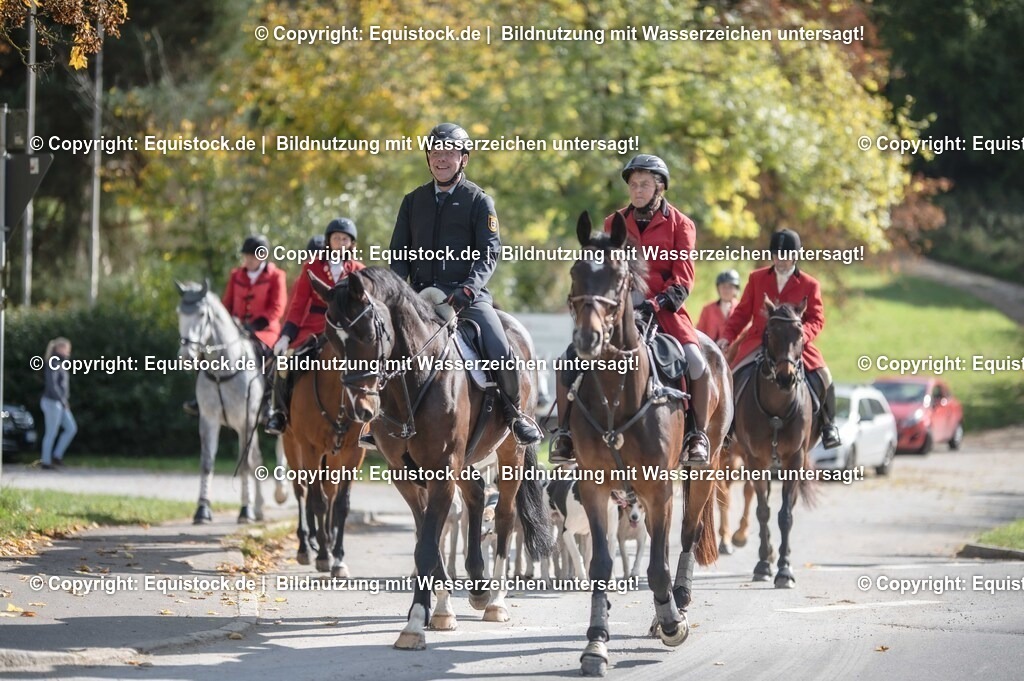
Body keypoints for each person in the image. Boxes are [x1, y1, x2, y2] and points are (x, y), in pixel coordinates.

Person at [377, 122, 542, 446]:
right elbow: (398, 252)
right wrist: (400, 293)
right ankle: (380, 420)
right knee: (380, 342)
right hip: (418, 297)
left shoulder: (479, 201)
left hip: (466, 296)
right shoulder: (412, 201)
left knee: (499, 347)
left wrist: (468, 288)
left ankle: (514, 415)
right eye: (435, 153)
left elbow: (489, 251)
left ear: (463, 159)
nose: (441, 159)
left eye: (448, 153)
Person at [549, 154, 712, 466]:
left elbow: (684, 278)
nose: (638, 190)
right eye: (634, 185)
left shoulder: (681, 224)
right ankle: (566, 433)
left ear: (659, 187)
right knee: (569, 357)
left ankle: (697, 435)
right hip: (618, 309)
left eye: (645, 185)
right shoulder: (614, 223)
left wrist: (657, 303)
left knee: (695, 362)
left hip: (663, 309)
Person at [716, 229, 841, 449]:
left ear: (796, 255)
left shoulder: (810, 284)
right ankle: (729, 428)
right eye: (777, 254)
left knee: (825, 376)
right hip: (760, 342)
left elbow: (817, 319)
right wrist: (727, 336)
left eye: (786, 254)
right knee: (733, 375)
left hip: (795, 345)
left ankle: (829, 425)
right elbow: (742, 312)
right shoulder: (757, 278)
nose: (781, 259)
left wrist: (802, 336)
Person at [265, 219, 365, 435]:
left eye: (345, 239)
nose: (340, 242)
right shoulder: (312, 267)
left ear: (351, 244)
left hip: (347, 332)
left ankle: (371, 425)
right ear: (328, 241)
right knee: (284, 362)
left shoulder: (359, 270)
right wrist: (286, 336)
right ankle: (279, 414)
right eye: (336, 238)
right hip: (313, 329)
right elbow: (298, 304)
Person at [182, 234, 287, 417]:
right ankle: (200, 398)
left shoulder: (277, 276)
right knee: (204, 350)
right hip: (236, 329)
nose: (248, 260)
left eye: (252, 256)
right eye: (246, 256)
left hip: (264, 331)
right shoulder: (236, 275)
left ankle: (268, 402)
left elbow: (277, 307)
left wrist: (255, 325)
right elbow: (226, 304)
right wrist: (228, 325)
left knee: (270, 356)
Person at [40, 337, 77, 469]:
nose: (68, 352)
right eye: (67, 349)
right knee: (51, 432)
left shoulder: (61, 362)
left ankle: (57, 455)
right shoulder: (53, 362)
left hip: (60, 403)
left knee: (71, 428)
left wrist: (63, 401)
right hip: (52, 402)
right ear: (59, 348)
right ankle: (46, 461)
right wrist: (62, 401)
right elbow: (52, 385)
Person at [696, 269, 742, 341]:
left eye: (730, 287)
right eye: (723, 286)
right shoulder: (707, 309)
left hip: (736, 350)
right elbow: (699, 333)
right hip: (711, 349)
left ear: (736, 289)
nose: (726, 290)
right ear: (718, 289)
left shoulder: (742, 308)